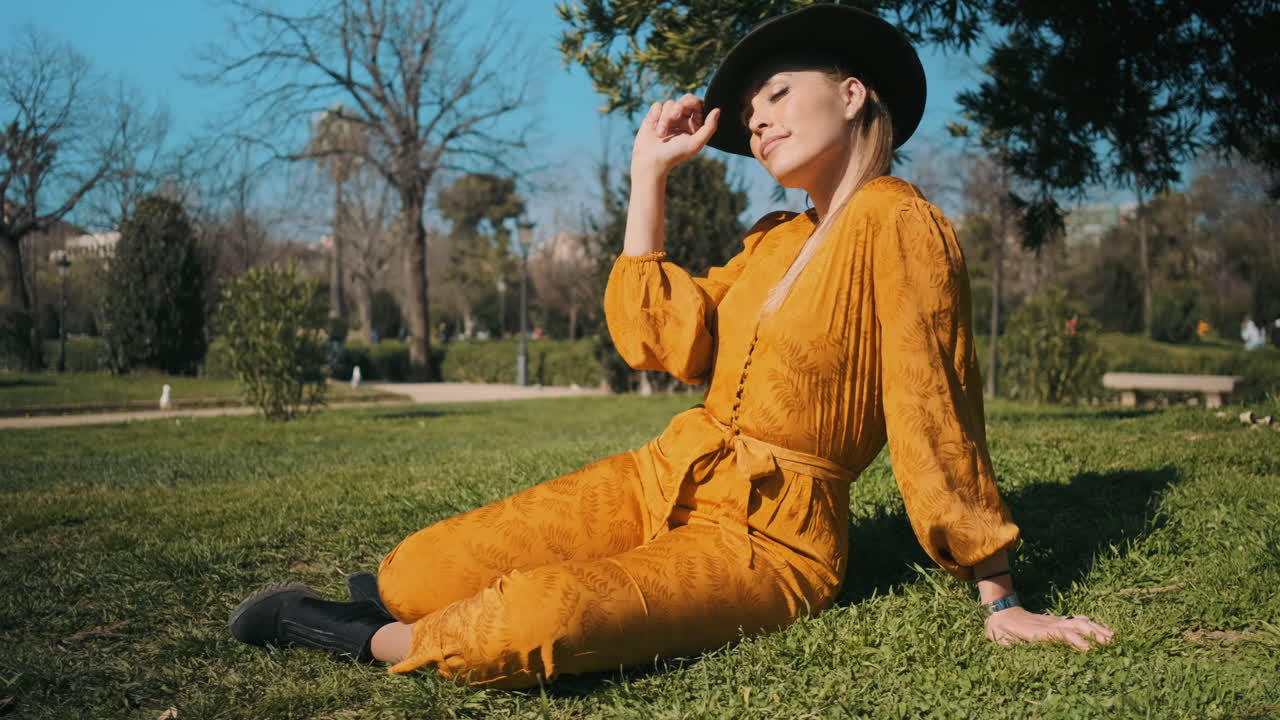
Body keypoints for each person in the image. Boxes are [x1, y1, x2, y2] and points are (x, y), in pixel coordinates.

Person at [228, 4, 1113, 688]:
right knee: (415, 567)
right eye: (750, 110)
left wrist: (1000, 594)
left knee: (533, 620)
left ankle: (351, 635)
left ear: (851, 93)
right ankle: (400, 605)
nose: (757, 122)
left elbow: (934, 404)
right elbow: (663, 338)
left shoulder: (902, 224)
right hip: (669, 470)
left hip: (775, 540)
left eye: (776, 95)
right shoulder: (772, 238)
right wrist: (645, 175)